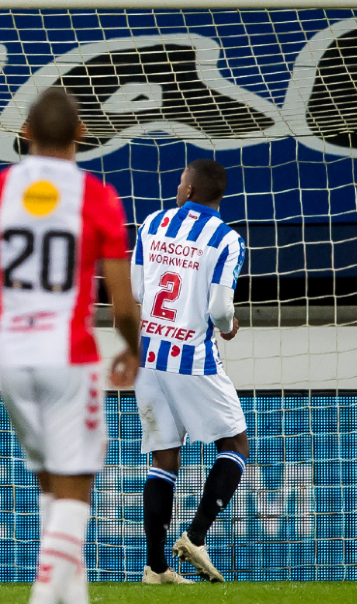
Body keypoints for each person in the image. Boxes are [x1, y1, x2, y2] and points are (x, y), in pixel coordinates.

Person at [0, 87, 141, 604]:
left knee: (51, 491)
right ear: (82, 133)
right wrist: (133, 346)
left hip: (10, 356)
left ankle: (70, 597)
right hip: (69, 357)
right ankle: (43, 595)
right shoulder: (97, 197)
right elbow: (122, 303)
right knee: (75, 494)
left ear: (25, 132)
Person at [132, 159, 248, 584]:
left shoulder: (152, 223)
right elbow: (219, 309)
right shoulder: (228, 239)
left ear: (192, 189)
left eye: (181, 181)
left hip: (148, 354)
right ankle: (196, 536)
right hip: (191, 357)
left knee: (163, 455)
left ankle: (156, 567)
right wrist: (228, 326)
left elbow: (136, 291)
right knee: (234, 441)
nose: (177, 187)